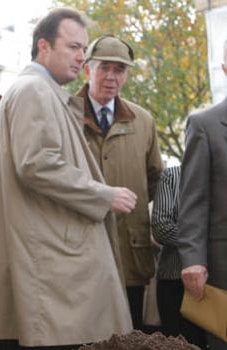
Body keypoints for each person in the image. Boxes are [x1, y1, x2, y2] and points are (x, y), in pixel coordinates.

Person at [0, 8, 135, 349]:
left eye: (82, 48)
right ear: (44, 46)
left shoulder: (41, 90)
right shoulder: (34, 90)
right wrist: (103, 195)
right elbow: (37, 163)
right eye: (73, 46)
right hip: (57, 272)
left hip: (58, 269)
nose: (81, 56)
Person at [77, 35, 163, 330]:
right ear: (87, 69)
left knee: (131, 333)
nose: (112, 77)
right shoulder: (66, 115)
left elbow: (155, 179)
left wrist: (132, 202)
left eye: (120, 70)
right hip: (80, 249)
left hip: (131, 249)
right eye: (104, 68)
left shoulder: (143, 121)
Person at [177, 38, 227, 350]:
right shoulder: (204, 125)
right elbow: (193, 201)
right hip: (224, 267)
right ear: (225, 68)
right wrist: (192, 260)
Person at [151, 166, 206, 348]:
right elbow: (161, 228)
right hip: (176, 283)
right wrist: (205, 243)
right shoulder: (172, 176)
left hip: (219, 285)